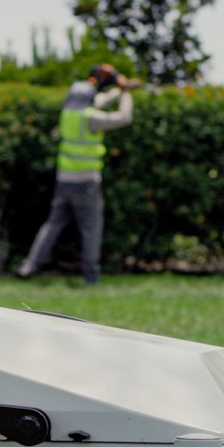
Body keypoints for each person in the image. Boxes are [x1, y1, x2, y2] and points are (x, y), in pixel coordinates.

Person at [17, 64, 134, 284]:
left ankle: (30, 265)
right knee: (90, 229)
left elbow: (98, 100)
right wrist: (126, 93)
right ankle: (91, 275)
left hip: (64, 180)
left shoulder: (68, 114)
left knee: (53, 224)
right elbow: (124, 117)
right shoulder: (92, 118)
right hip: (86, 182)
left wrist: (118, 90)